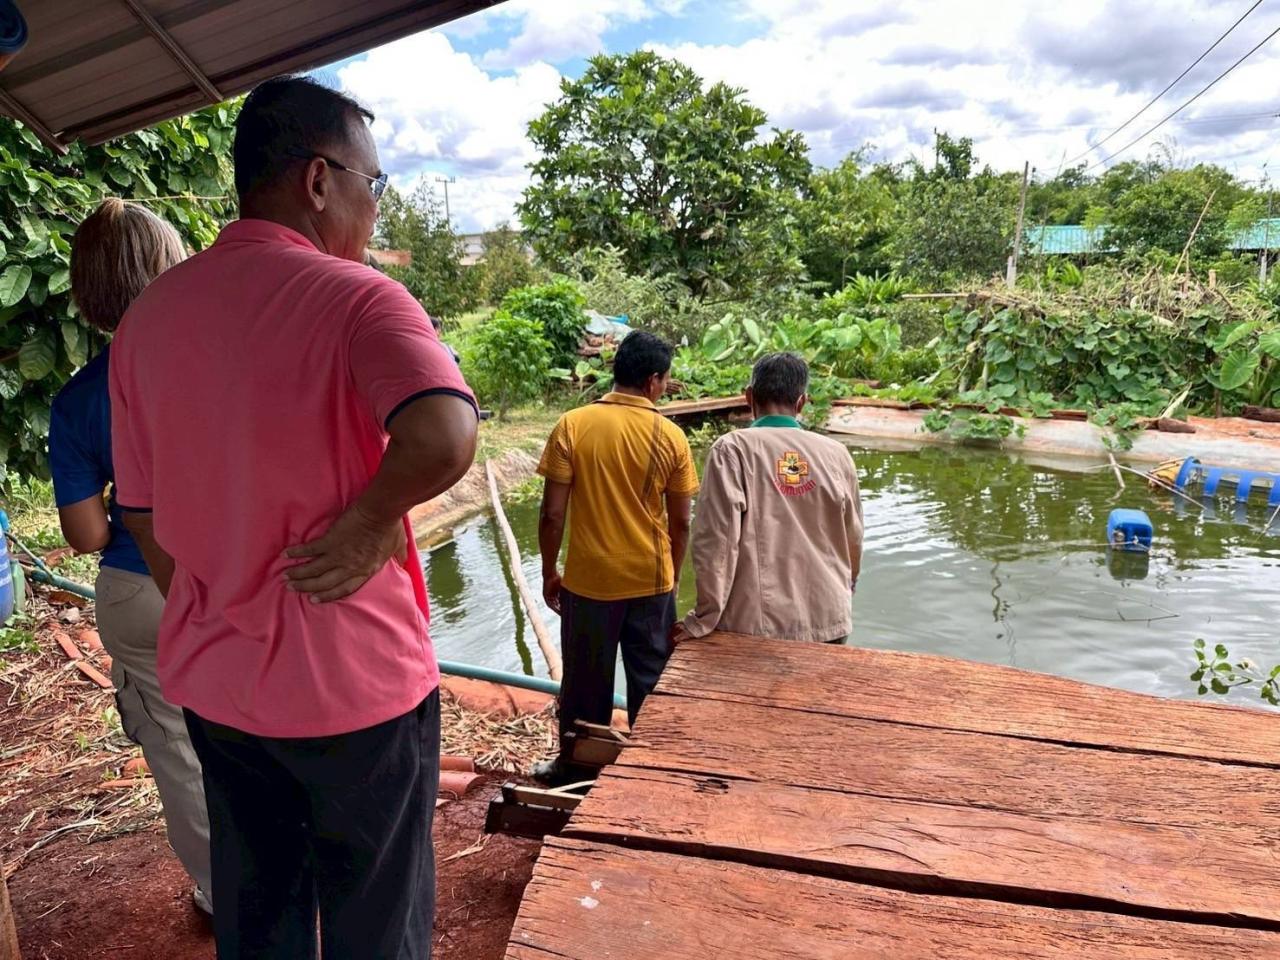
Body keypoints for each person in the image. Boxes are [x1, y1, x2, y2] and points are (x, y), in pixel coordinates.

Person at [109, 75, 478, 959]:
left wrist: (218, 603)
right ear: (319, 180)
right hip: (355, 686)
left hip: (220, 686)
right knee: (376, 922)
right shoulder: (358, 297)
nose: (375, 208)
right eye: (373, 183)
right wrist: (369, 522)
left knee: (261, 911)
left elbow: (143, 509)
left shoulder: (148, 320)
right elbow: (444, 433)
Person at [48, 199, 213, 916]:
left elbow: (86, 535)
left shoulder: (78, 399)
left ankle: (224, 895)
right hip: (229, 578)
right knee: (261, 732)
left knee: (178, 751)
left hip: (137, 590)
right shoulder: (220, 365)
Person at [533, 331, 698, 785]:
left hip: (588, 582)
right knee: (650, 681)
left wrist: (549, 571)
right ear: (652, 381)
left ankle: (576, 771)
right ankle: (651, 774)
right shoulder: (670, 436)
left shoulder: (572, 424)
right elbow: (682, 522)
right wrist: (672, 578)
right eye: (665, 380)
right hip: (650, 581)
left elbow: (552, 514)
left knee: (585, 685)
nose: (664, 387)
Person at [673, 352, 862, 646]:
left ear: (749, 397)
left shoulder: (732, 449)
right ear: (801, 402)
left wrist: (704, 618)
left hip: (756, 625)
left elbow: (716, 542)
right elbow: (854, 537)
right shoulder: (837, 454)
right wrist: (848, 586)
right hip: (830, 619)